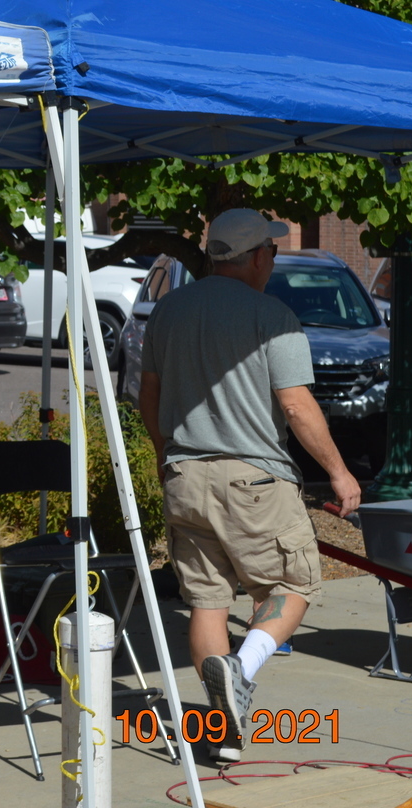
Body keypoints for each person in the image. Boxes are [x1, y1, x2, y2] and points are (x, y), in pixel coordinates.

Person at [139, 208, 362, 761]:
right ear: (258, 256)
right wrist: (337, 469)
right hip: (255, 478)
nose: (275, 260)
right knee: (295, 583)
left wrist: (166, 452)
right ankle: (241, 667)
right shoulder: (273, 315)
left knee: (207, 602)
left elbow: (148, 394)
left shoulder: (168, 311)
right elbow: (295, 404)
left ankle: (226, 732)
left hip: (184, 475)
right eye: (273, 251)